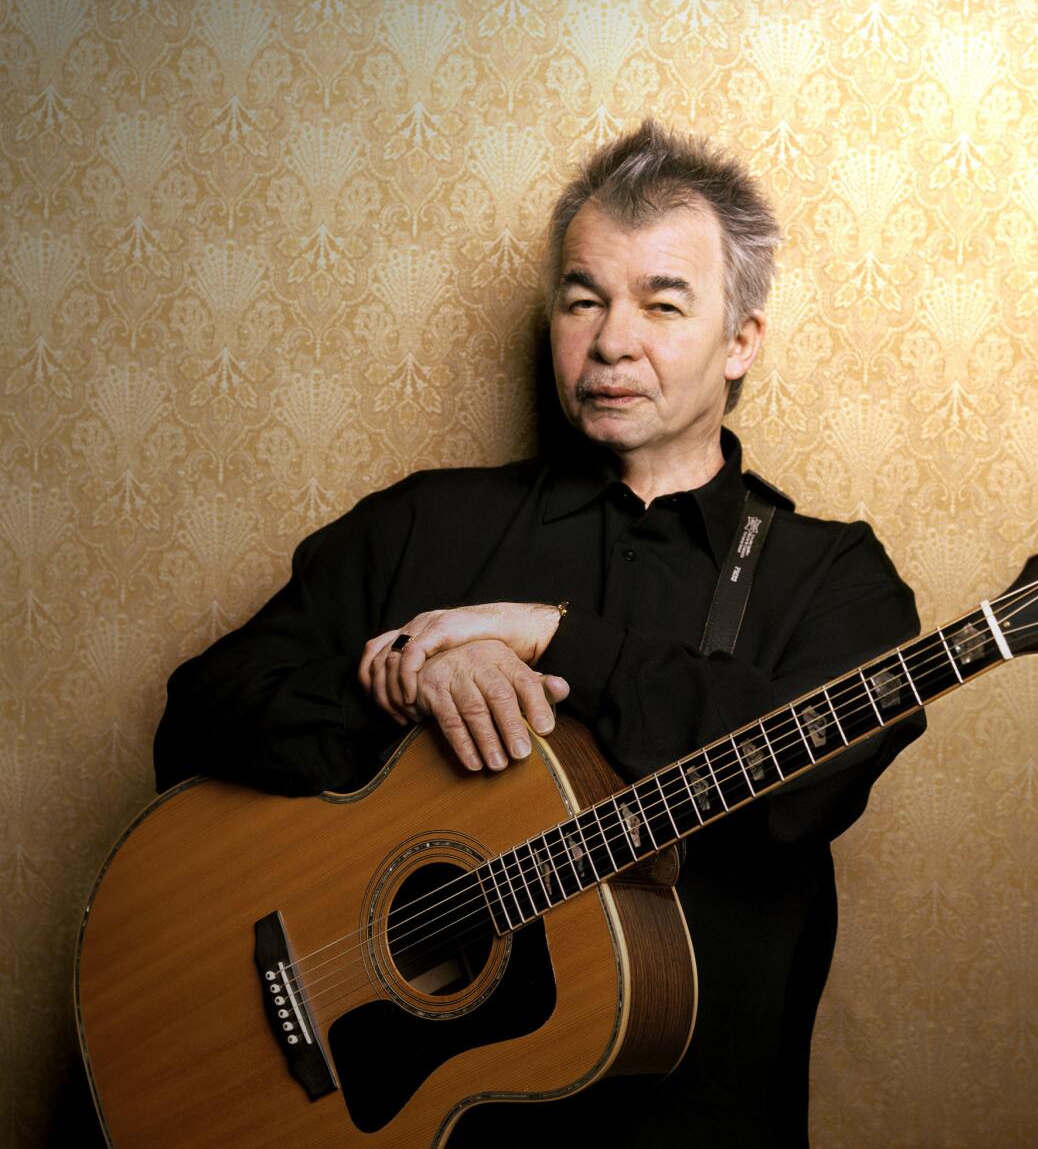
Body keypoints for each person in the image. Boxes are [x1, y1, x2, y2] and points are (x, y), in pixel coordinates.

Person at [154, 120, 925, 1148]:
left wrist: (551, 635)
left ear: (742, 339)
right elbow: (196, 713)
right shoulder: (425, 524)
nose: (612, 340)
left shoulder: (832, 578)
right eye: (582, 299)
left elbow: (802, 783)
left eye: (662, 303)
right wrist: (392, 691)